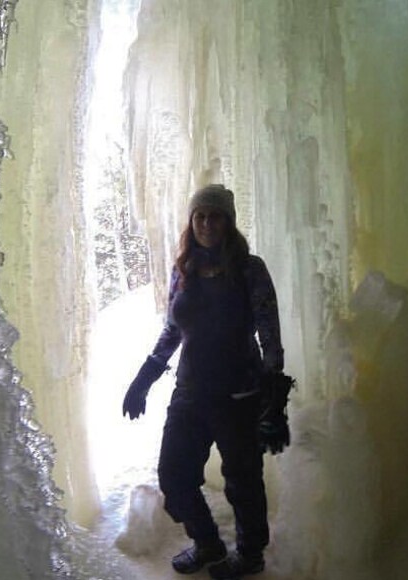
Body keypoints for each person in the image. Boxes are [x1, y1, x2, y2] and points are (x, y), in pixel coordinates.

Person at [122, 184, 284, 579]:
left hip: (239, 393)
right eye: (200, 216)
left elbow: (269, 335)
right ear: (191, 222)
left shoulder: (250, 270)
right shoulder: (185, 271)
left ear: (228, 222)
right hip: (190, 392)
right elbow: (171, 332)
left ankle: (250, 554)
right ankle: (208, 544)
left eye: (215, 216)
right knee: (174, 476)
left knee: (242, 481)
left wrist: (274, 396)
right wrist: (144, 378)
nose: (207, 223)